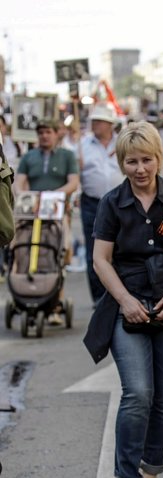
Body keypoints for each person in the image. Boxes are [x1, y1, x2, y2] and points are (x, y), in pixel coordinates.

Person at [83, 121, 163, 478]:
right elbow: (101, 259)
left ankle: (152, 474)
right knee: (137, 394)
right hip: (126, 305)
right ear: (121, 163)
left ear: (158, 158)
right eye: (131, 161)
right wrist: (125, 301)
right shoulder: (112, 203)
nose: (140, 169)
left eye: (146, 160)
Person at [14, 118, 80, 324]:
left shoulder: (67, 156)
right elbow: (19, 182)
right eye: (41, 132)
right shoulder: (29, 157)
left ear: (56, 133)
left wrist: (53, 195)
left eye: (48, 132)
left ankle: (56, 303)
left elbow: (73, 182)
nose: (44, 136)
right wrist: (26, 195)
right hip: (31, 214)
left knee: (59, 253)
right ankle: (25, 294)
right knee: (26, 249)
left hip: (57, 213)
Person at [79, 106, 123, 304]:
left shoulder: (122, 142)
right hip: (92, 203)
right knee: (94, 251)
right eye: (93, 121)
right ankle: (99, 297)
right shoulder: (82, 144)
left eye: (99, 121)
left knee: (122, 248)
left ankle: (119, 293)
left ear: (110, 124)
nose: (95, 124)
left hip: (119, 202)